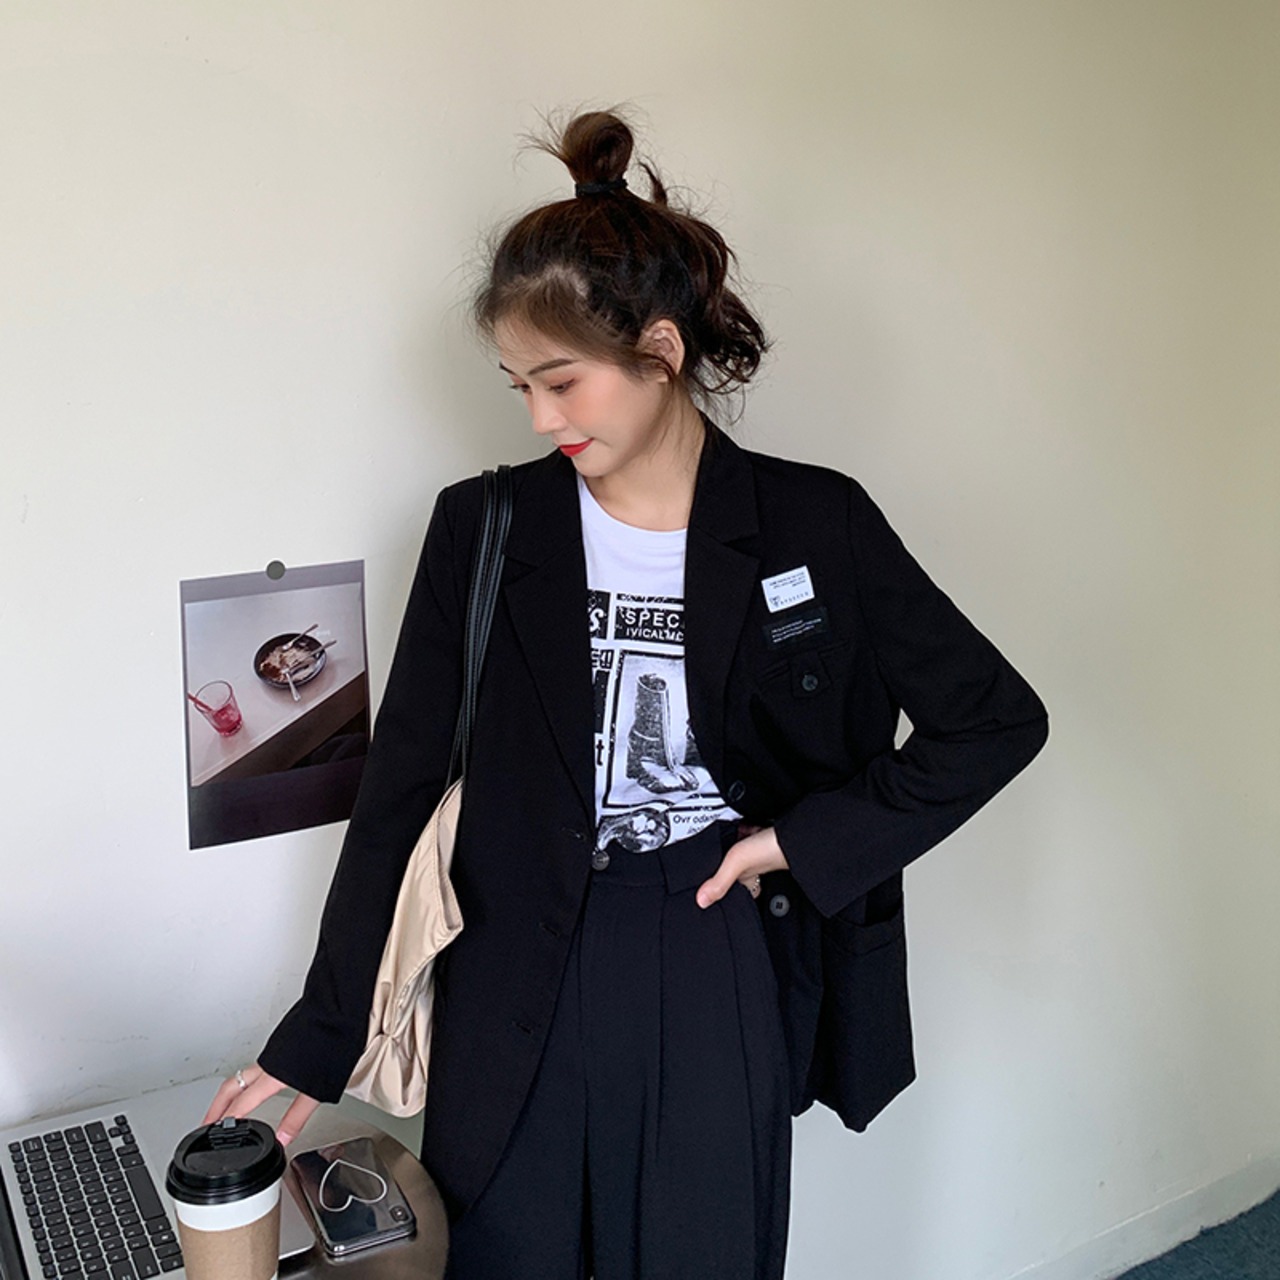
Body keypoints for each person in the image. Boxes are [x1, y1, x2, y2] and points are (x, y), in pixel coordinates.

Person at [205, 109, 1049, 1278]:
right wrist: (321, 1029)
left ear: (658, 349)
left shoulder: (814, 521)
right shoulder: (483, 526)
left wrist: (797, 843)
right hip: (510, 961)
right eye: (518, 385)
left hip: (709, 944)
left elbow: (993, 718)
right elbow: (401, 784)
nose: (539, 417)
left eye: (561, 381)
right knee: (501, 1254)